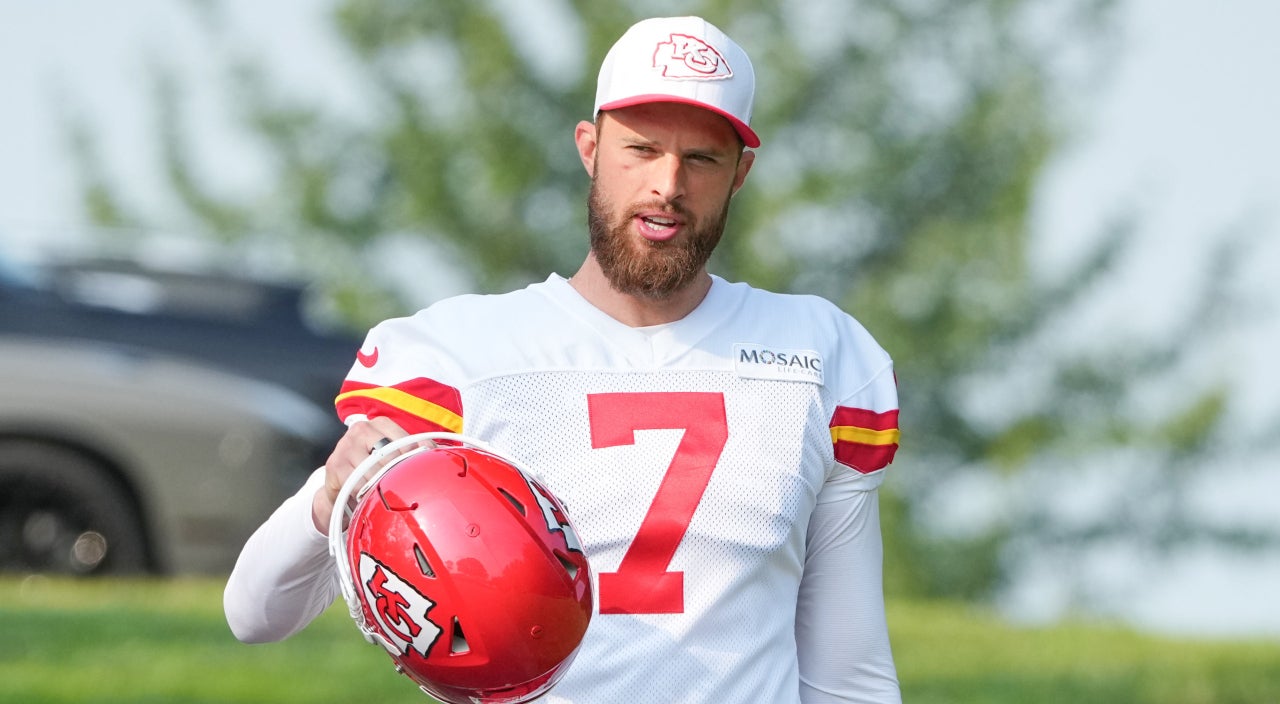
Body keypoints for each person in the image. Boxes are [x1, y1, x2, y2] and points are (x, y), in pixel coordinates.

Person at [225, 15, 902, 704]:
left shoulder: (818, 355)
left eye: (701, 158)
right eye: (641, 149)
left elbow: (847, 671)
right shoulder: (459, 353)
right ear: (590, 147)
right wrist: (327, 494)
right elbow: (255, 614)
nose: (668, 183)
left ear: (741, 173)